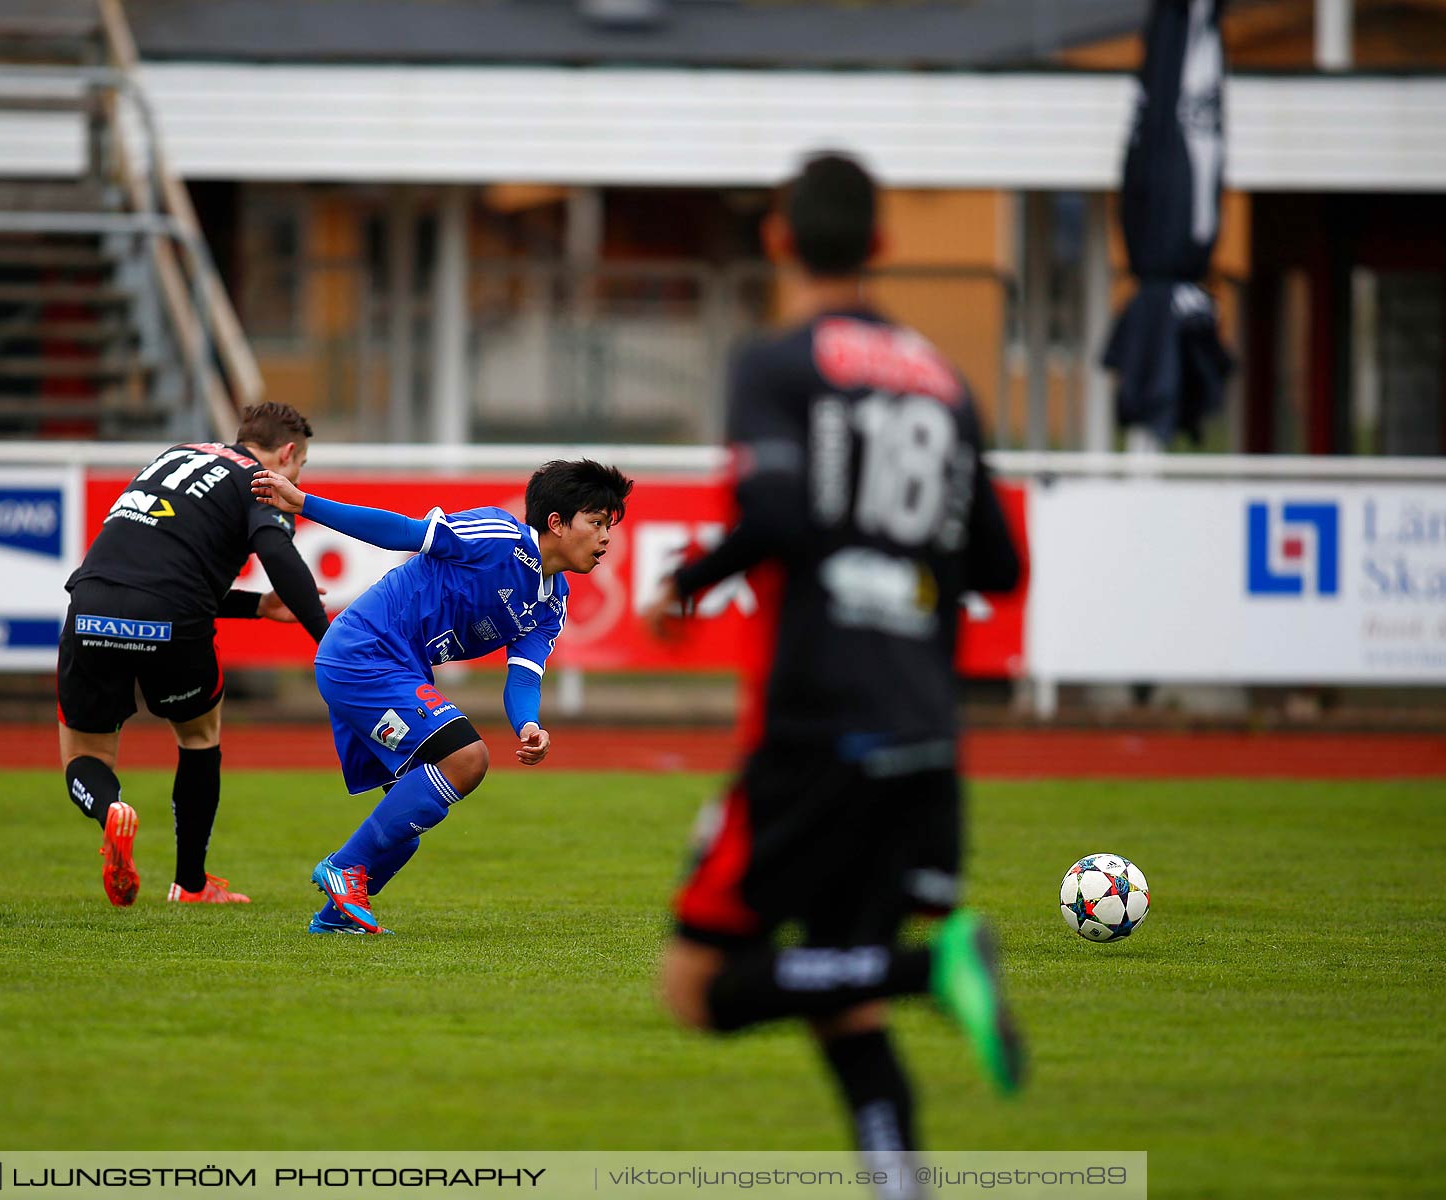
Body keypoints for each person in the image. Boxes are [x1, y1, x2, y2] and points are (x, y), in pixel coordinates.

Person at [647, 152, 1026, 1186]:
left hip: (815, 728)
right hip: (924, 732)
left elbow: (771, 511)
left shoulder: (776, 364)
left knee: (696, 986)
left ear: (778, 239)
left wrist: (693, 576)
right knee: (841, 1005)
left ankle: (933, 969)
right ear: (883, 247)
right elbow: (998, 562)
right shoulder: (946, 384)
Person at [251, 459, 633, 934]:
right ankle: (343, 866)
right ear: (556, 523)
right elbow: (400, 532)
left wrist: (528, 725)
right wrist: (304, 503)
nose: (605, 539)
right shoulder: (498, 536)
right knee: (467, 759)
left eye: (608, 526)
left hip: (396, 670)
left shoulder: (552, 602)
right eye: (596, 523)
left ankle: (337, 919)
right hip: (364, 652)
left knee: (404, 825)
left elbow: (523, 679)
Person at [58, 401, 331, 907]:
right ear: (287, 454)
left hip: (91, 604)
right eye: (301, 466)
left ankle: (111, 811)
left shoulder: (174, 456)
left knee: (85, 755)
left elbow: (157, 569)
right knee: (199, 736)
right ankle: (190, 883)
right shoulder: (259, 479)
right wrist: (327, 639)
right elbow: (276, 553)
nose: (297, 478)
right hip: (172, 621)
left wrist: (257, 607)